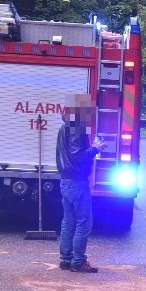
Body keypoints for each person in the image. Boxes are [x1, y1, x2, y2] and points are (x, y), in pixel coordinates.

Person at [56, 93, 106, 273]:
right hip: (77, 180)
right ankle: (78, 261)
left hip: (65, 180)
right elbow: (78, 155)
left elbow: (72, 152)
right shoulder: (76, 128)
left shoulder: (65, 127)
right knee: (84, 223)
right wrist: (96, 149)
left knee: (68, 221)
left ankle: (66, 259)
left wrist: (91, 147)